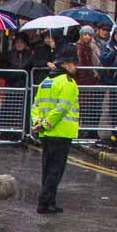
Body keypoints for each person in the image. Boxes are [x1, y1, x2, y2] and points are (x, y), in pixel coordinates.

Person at [29, 48, 80, 214]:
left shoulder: (46, 82)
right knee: (55, 171)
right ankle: (44, 202)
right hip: (61, 131)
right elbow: (62, 109)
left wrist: (38, 123)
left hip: (47, 133)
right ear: (65, 64)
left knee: (48, 169)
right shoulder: (67, 82)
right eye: (73, 63)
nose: (75, 67)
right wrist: (44, 124)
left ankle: (50, 201)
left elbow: (35, 105)